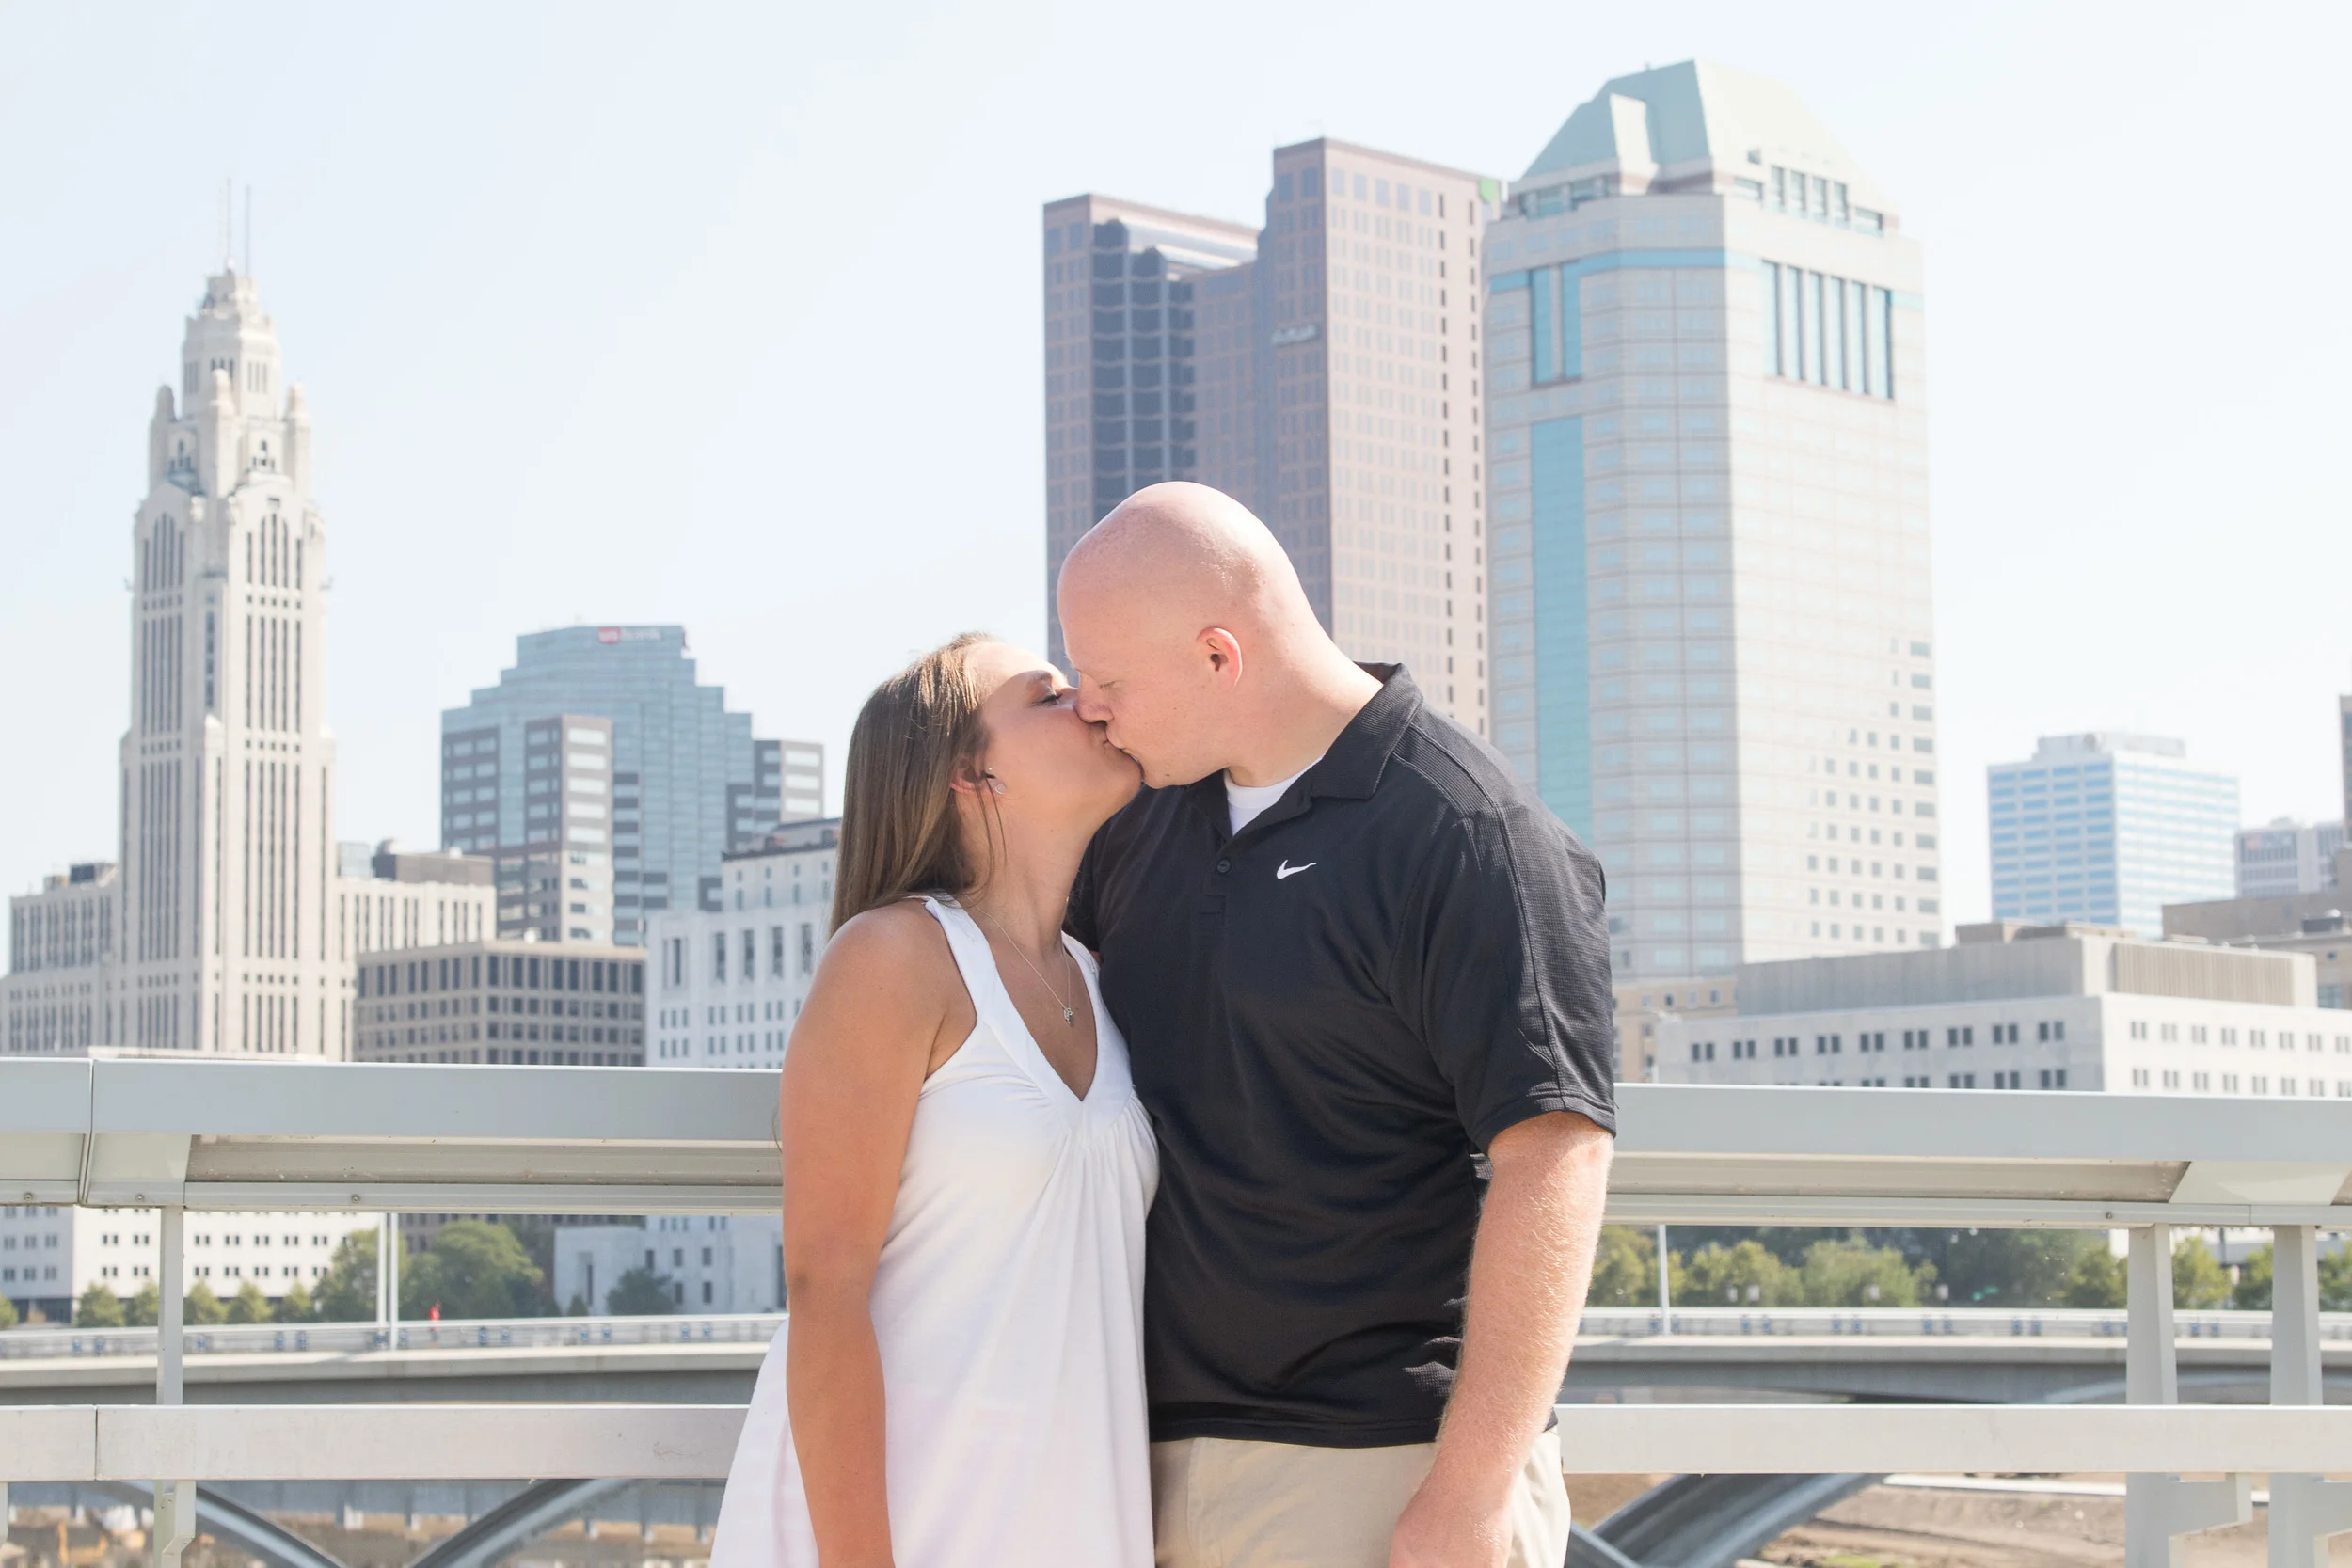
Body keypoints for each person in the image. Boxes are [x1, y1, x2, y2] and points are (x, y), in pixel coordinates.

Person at [1057, 483, 1618, 1568]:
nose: (1089, 707)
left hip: (1379, 1464)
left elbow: (1555, 1156)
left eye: (1108, 679)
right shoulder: (1131, 827)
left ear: (1219, 655)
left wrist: (1467, 1496)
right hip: (1135, 1463)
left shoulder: (1468, 832)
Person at [710, 633, 1158, 1568]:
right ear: (969, 772)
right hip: (905, 1533)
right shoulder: (892, 959)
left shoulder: (1098, 976)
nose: (1087, 699)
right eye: (1046, 695)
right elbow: (824, 1293)